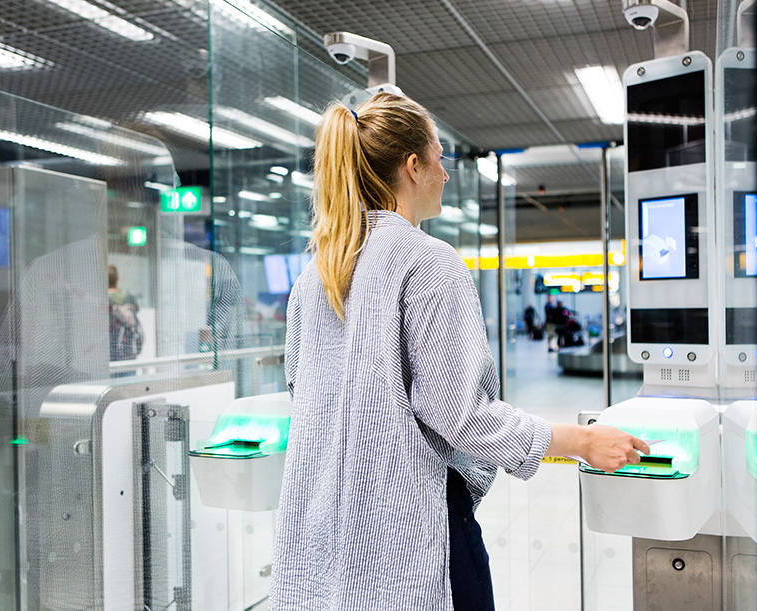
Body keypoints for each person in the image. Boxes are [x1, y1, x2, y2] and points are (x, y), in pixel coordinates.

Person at [271, 92, 648, 610]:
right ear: (413, 166)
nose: (446, 174)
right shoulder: (428, 263)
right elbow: (460, 413)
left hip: (322, 533)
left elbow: (302, 390)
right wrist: (579, 442)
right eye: (439, 159)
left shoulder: (315, 275)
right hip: (409, 532)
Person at [108, 264, 144, 362]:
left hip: (110, 354)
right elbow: (136, 311)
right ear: (118, 278)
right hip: (129, 351)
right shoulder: (129, 296)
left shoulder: (101, 300)